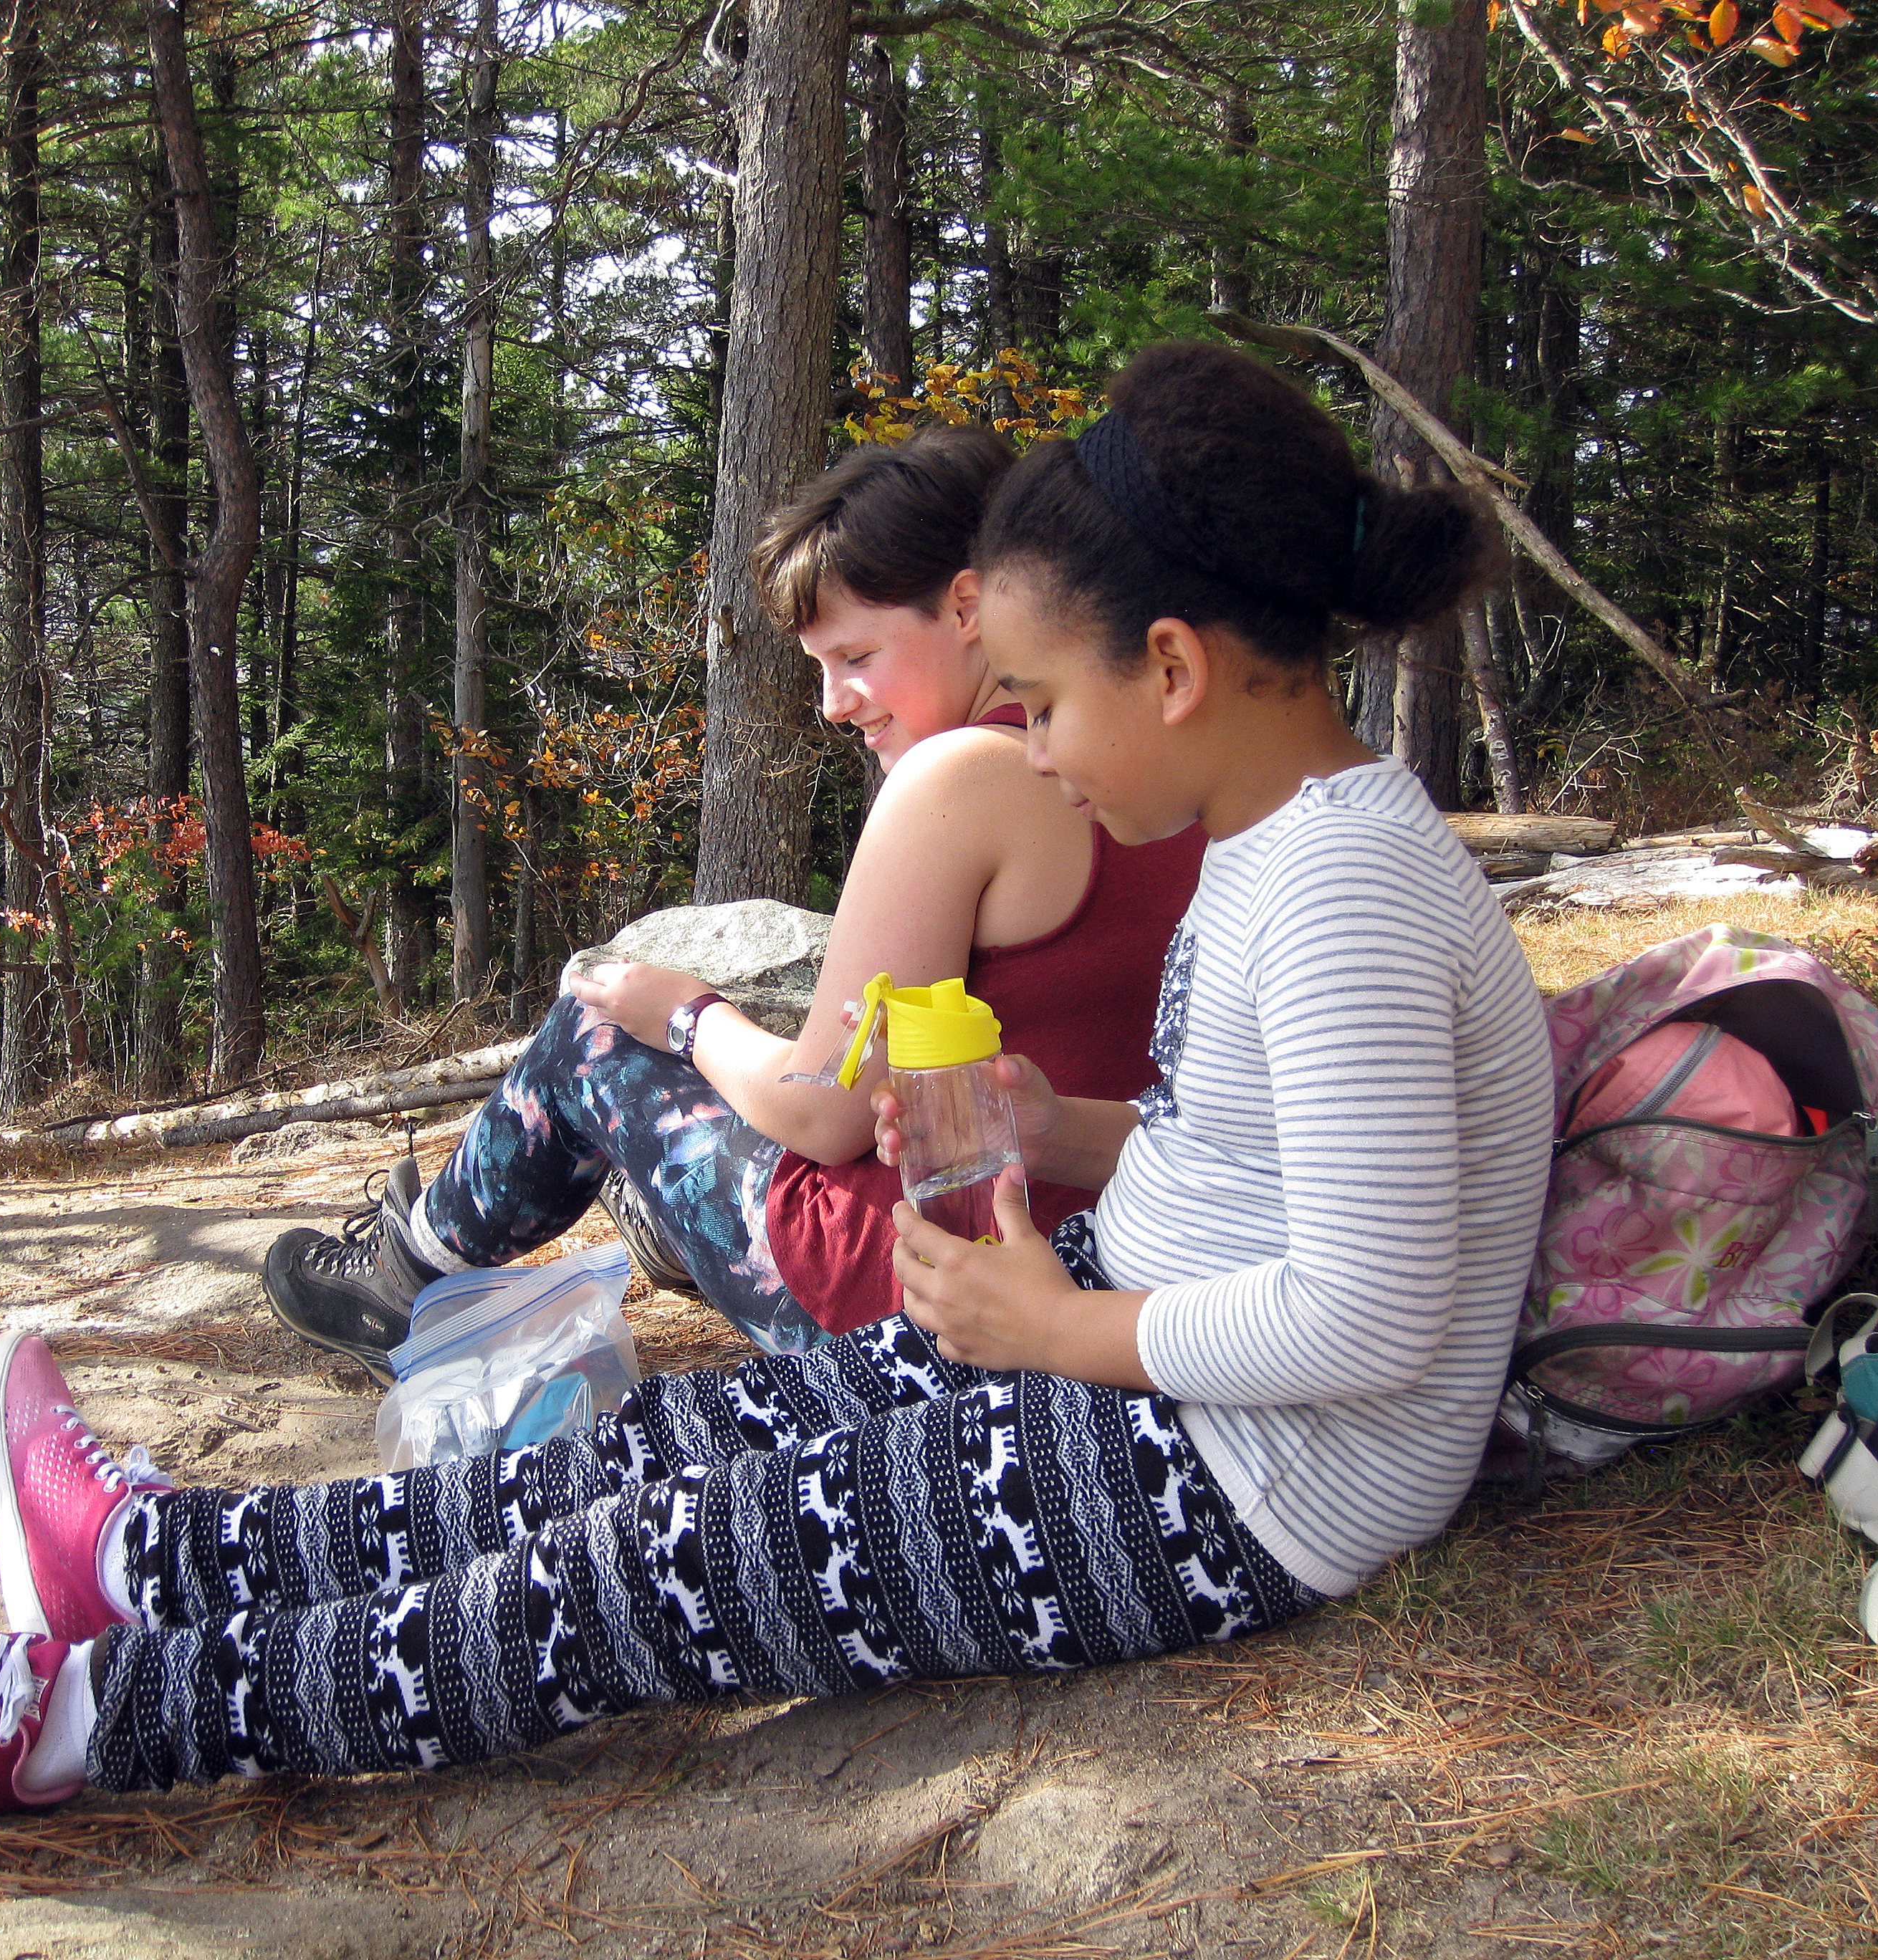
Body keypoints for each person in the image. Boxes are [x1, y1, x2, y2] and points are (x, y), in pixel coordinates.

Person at [0, 340, 1556, 1817]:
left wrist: (1054, 1327)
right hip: (1145, 1339)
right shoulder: (1270, 838)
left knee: (655, 1565)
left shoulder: (1342, 891)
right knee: (657, 1441)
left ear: (1167, 667)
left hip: (1249, 1480)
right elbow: (1247, 1150)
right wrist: (1055, 1126)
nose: (1026, 743)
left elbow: (1374, 1313)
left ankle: (77, 1714)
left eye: (1033, 698)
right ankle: (163, 1562)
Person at [262, 423, 1204, 1369]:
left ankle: (402, 1282)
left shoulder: (957, 779)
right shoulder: (1158, 758)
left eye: (857, 657)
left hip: (919, 1300)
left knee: (590, 1037)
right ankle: (664, 1231)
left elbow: (826, 1114)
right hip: (1115, 1260)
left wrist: (679, 1013)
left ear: (968, 608)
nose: (835, 702)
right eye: (821, 668)